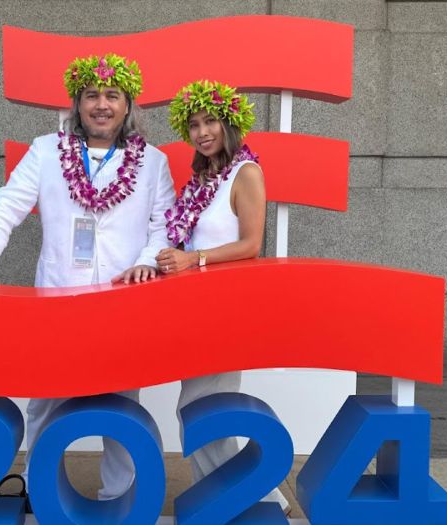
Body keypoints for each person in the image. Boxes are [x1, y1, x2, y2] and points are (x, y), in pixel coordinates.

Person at [0, 53, 175, 501]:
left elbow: (163, 224)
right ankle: (38, 485)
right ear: (77, 104)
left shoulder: (154, 162)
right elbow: (6, 205)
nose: (101, 105)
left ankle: (121, 493)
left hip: (123, 299)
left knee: (123, 401)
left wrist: (148, 259)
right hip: (57, 297)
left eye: (112, 96)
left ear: (128, 105)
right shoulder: (46, 150)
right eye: (92, 95)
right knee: (45, 397)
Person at [157, 80, 291, 512]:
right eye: (194, 125)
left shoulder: (246, 173)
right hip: (195, 313)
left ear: (229, 123)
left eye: (210, 120)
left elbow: (251, 244)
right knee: (201, 413)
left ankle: (253, 495)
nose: (202, 132)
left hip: (226, 312)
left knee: (202, 411)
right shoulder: (202, 179)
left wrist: (191, 258)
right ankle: (223, 495)